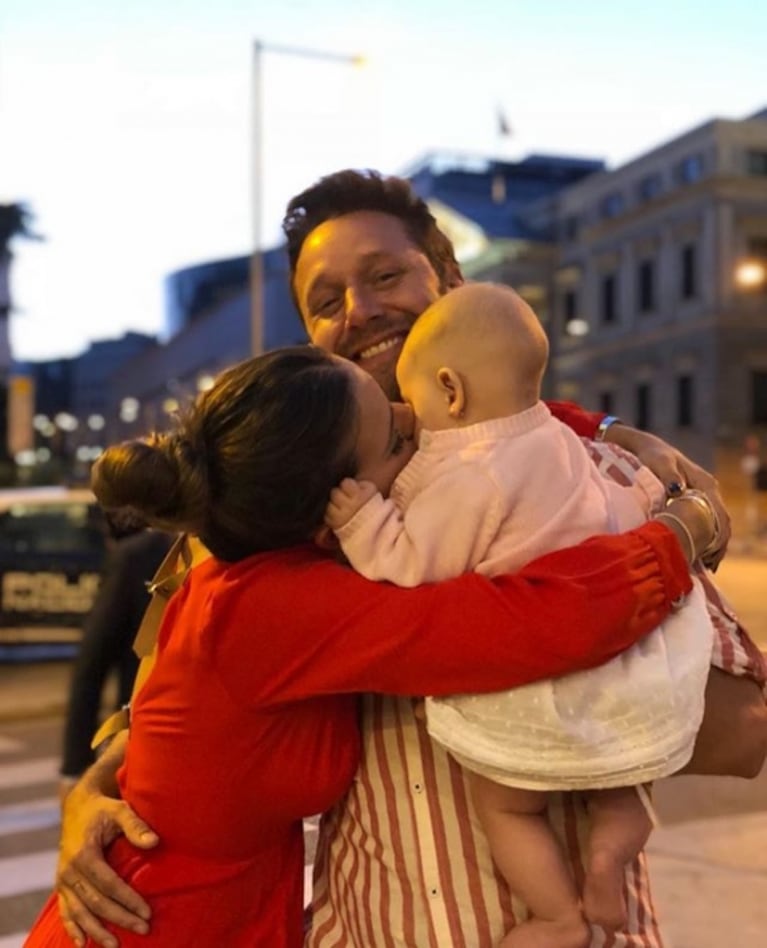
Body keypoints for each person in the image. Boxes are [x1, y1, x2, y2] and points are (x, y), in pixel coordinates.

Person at [55, 170, 766, 948]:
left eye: (385, 274)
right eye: (325, 302)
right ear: (311, 338)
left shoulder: (597, 470)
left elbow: (743, 732)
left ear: (451, 279)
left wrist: (558, 707)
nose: (359, 310)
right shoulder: (282, 521)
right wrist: (91, 794)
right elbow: (175, 710)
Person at [24, 346, 710, 948]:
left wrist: (601, 428)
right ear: (327, 509)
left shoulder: (247, 574)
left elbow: (497, 424)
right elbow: (525, 625)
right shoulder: (277, 606)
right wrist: (679, 533)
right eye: (392, 439)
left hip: (198, 912)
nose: (416, 426)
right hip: (159, 924)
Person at [325, 282, 717, 947]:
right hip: (616, 677)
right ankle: (609, 849)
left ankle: (559, 916)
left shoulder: (467, 474)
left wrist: (363, 519)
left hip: (531, 692)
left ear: (448, 391)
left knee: (506, 805)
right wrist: (670, 507)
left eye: (415, 412)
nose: (414, 429)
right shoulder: (573, 446)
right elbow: (624, 510)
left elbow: (413, 564)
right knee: (620, 784)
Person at [59, 517, 174, 804]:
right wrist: (75, 769)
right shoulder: (138, 557)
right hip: (139, 751)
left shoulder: (230, 556)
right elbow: (91, 668)